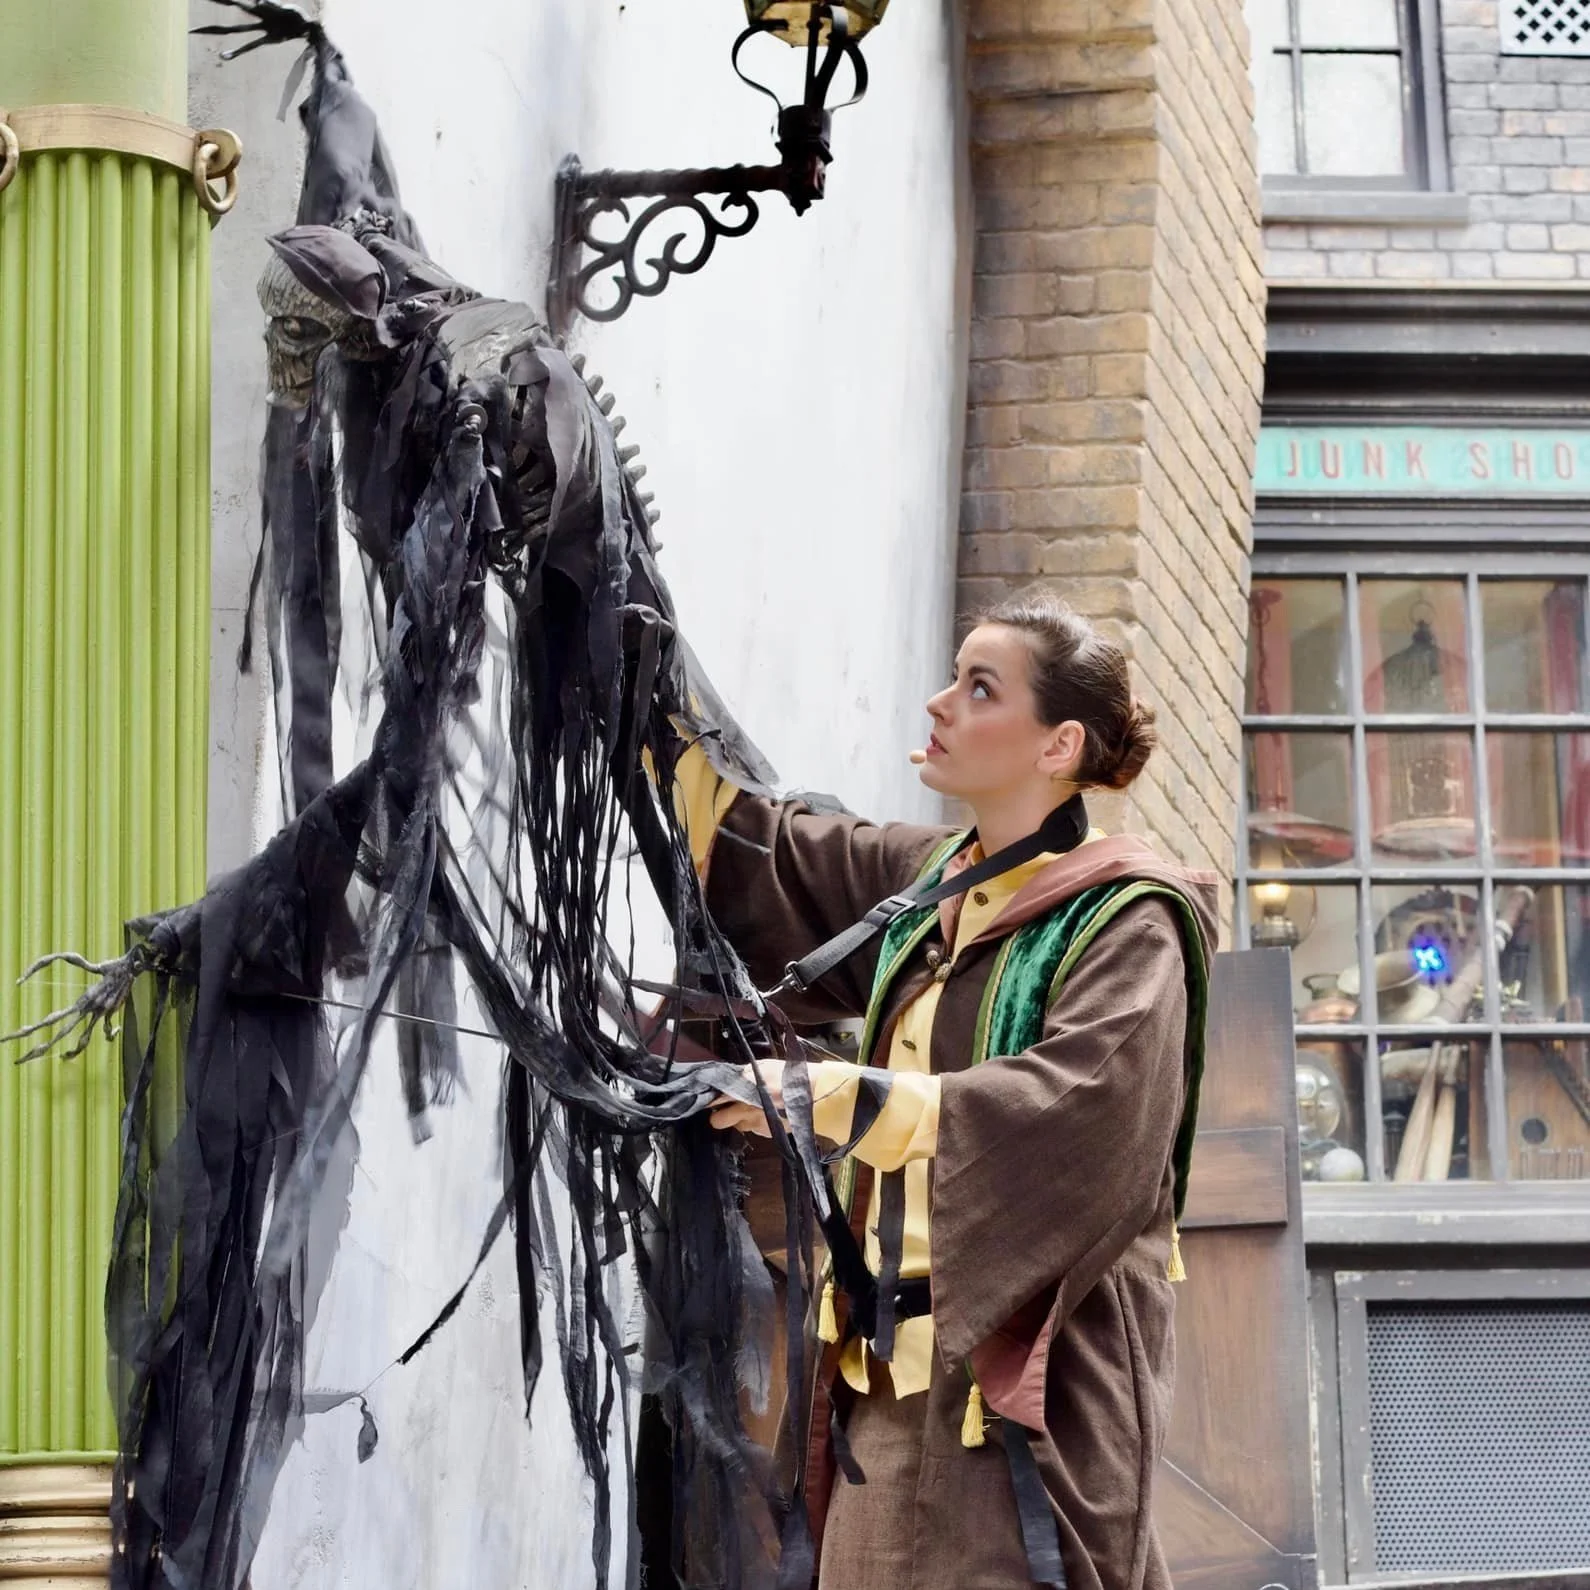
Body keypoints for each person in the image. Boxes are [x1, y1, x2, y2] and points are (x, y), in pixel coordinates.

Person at [672, 592, 1219, 1590]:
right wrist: (614, 613)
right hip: (880, 1399)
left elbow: (1076, 1115)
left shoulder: (1130, 924)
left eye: (980, 688)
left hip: (1018, 1416)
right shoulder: (931, 886)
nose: (939, 703)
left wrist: (828, 1097)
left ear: (1058, 745)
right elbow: (754, 843)